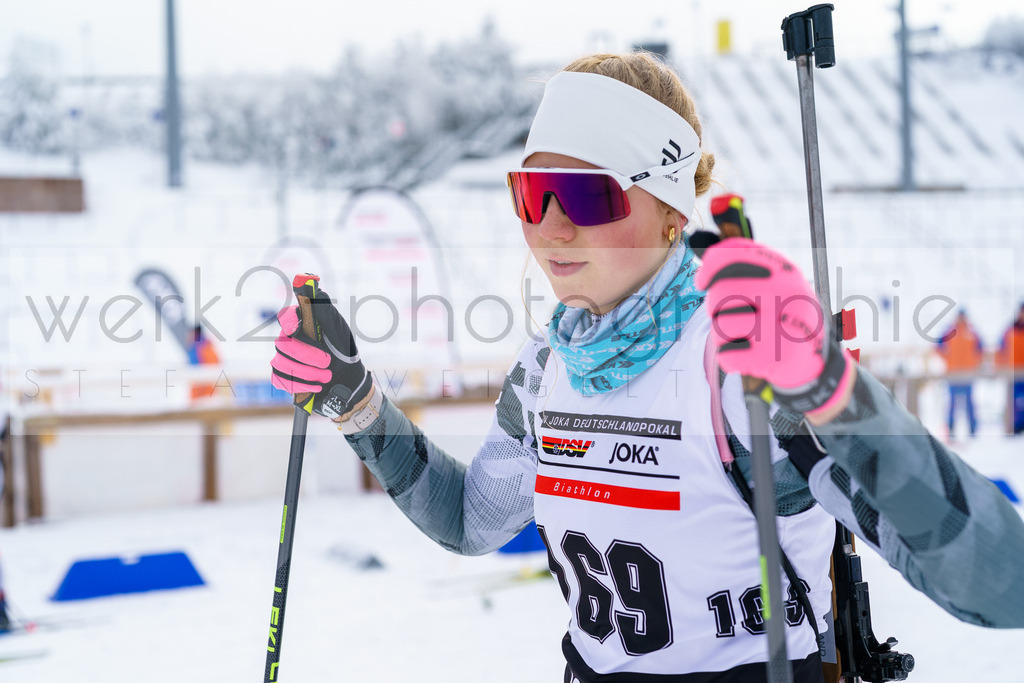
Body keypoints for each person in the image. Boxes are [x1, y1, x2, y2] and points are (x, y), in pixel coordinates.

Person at [270, 52, 1024, 681]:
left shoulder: (744, 368)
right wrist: (358, 403)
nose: (553, 227)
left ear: (670, 211)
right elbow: (472, 520)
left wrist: (831, 390)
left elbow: (1000, 583)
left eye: (588, 195)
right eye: (532, 194)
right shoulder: (547, 367)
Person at [936, 309, 984, 439]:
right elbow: (937, 346)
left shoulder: (973, 333)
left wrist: (975, 363)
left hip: (968, 375)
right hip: (953, 375)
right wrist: (947, 359)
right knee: (952, 404)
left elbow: (981, 350)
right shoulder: (949, 333)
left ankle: (973, 430)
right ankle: (951, 430)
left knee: (970, 404)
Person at [997, 302, 1024, 434]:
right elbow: (1001, 350)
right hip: (1013, 372)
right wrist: (1001, 367)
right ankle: (1015, 426)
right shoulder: (1010, 331)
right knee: (1014, 402)